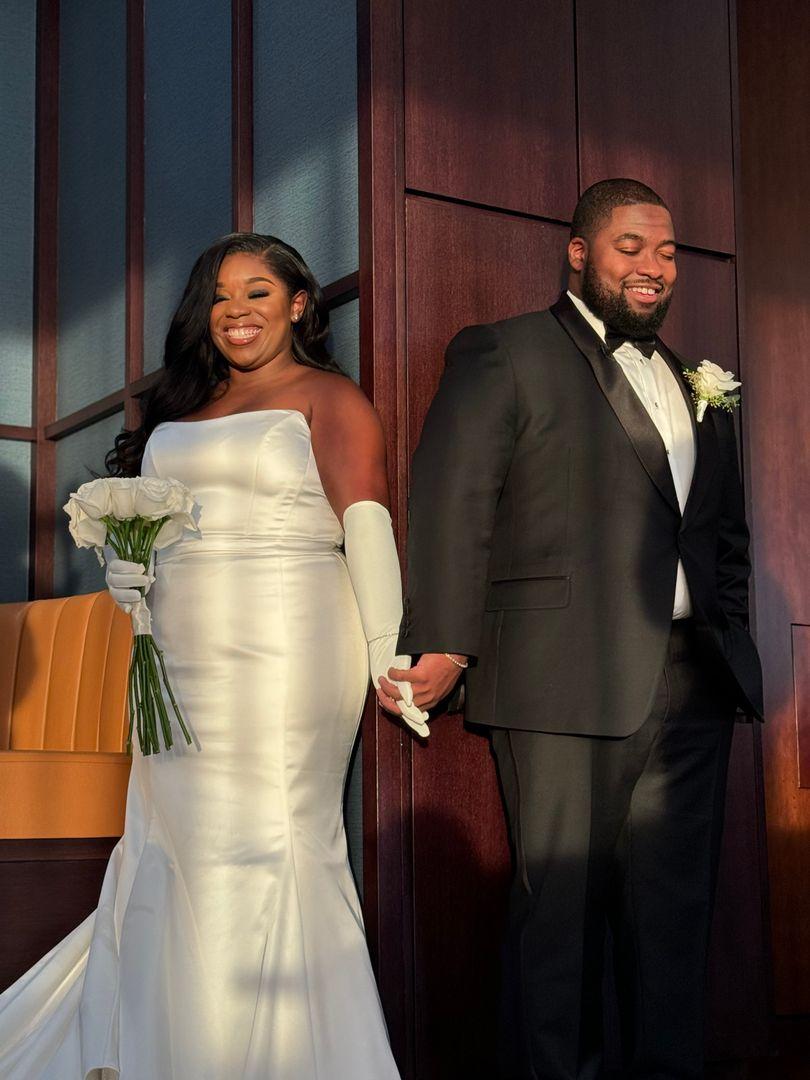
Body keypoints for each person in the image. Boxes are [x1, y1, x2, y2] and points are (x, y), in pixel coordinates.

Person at [0, 232, 427, 1079]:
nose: (237, 311)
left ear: (299, 305)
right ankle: (165, 1043)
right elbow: (162, 540)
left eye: (259, 292)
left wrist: (389, 653)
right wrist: (132, 578)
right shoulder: (176, 414)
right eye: (222, 295)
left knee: (268, 833)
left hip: (289, 642)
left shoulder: (327, 398)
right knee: (171, 838)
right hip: (173, 652)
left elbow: (367, 523)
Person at [383, 179, 764, 1079]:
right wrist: (444, 637)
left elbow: (723, 536)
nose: (654, 267)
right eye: (631, 246)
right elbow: (454, 497)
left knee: (673, 922)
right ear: (580, 252)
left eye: (668, 251)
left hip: (693, 684)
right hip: (556, 680)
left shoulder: (696, 381)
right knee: (559, 921)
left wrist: (732, 635)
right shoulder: (503, 352)